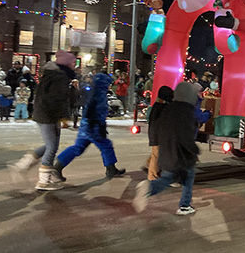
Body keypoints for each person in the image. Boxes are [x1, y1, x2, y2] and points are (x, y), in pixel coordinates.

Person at [8, 50, 76, 190]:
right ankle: (43, 181)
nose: (74, 65)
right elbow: (59, 99)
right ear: (66, 63)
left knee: (50, 145)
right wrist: (63, 117)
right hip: (48, 114)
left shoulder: (53, 74)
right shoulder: (60, 77)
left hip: (46, 113)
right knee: (51, 147)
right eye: (73, 62)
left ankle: (23, 165)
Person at [133, 82, 203, 215]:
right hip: (181, 156)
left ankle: (149, 188)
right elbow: (186, 136)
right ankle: (184, 205)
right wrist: (194, 150)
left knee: (168, 178)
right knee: (187, 177)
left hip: (167, 152)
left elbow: (160, 127)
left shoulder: (169, 109)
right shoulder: (186, 111)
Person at [53, 73, 126, 182]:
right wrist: (98, 125)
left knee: (78, 147)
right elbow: (94, 110)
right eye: (108, 84)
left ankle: (58, 166)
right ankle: (111, 168)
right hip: (93, 125)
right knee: (106, 146)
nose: (109, 86)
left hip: (87, 124)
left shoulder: (94, 92)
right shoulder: (99, 94)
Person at [146, 85, 174, 180]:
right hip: (158, 136)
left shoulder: (158, 106)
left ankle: (149, 166)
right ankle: (152, 176)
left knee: (156, 154)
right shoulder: (161, 108)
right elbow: (159, 124)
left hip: (157, 135)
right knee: (156, 155)